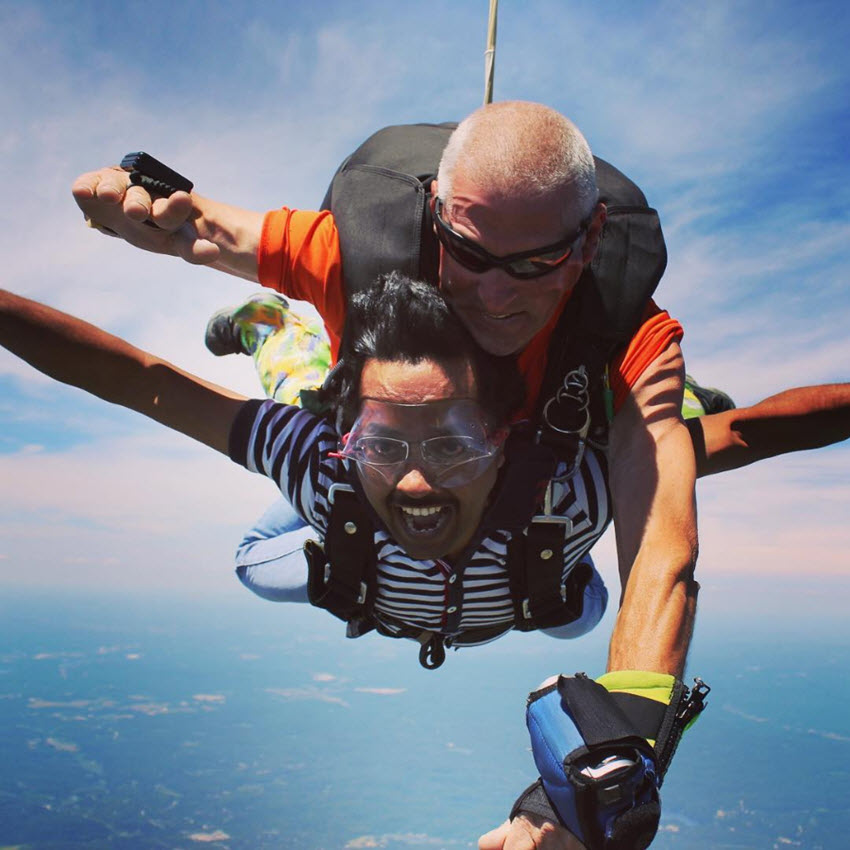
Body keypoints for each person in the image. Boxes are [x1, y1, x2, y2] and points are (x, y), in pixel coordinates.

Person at [2, 274, 688, 849]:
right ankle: (271, 329)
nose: (419, 484)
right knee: (295, 438)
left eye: (452, 448)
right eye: (385, 447)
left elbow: (695, 464)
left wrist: (654, 414)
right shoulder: (322, 463)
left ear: (503, 442)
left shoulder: (564, 489)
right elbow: (137, 379)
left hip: (502, 565)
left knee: (575, 612)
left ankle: (632, 407)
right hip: (352, 496)